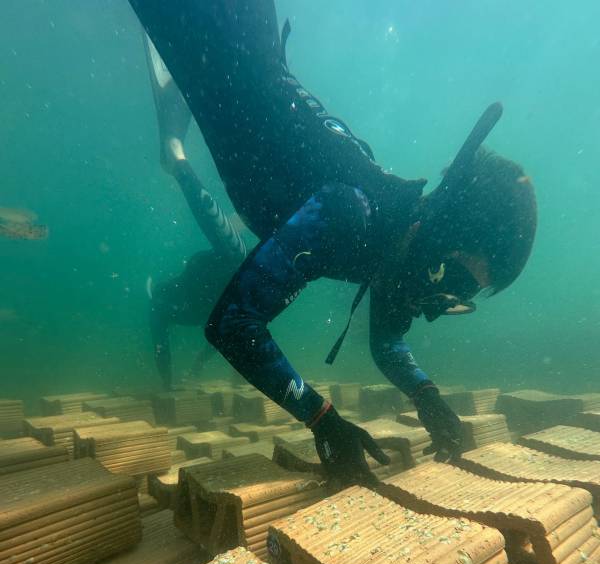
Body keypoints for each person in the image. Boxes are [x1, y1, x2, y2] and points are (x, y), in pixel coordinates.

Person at [129, 1, 537, 486]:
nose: (437, 306)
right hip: (227, 39)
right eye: (456, 285)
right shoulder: (354, 214)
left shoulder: (402, 245)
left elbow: (387, 341)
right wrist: (322, 418)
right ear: (443, 236)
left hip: (227, 69)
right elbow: (232, 323)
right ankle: (176, 152)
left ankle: (175, 150)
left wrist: (426, 395)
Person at [143, 34, 247, 390]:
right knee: (233, 261)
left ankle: (178, 160)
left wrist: (173, 384)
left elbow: (223, 337)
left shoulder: (169, 305)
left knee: (231, 255)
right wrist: (194, 373)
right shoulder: (229, 303)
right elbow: (227, 337)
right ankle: (178, 161)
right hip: (215, 294)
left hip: (204, 293)